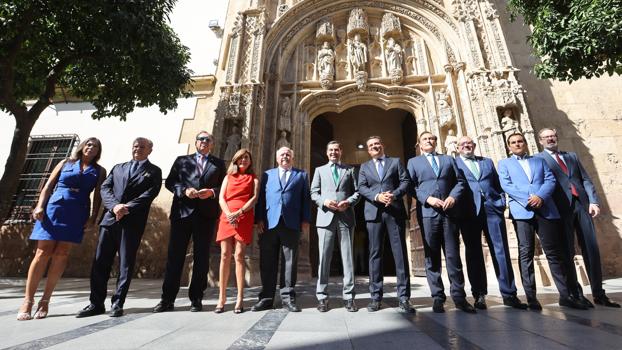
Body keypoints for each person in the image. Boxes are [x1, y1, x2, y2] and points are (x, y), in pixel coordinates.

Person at [17, 138, 106, 321]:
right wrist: (40, 206)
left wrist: (93, 217)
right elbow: (48, 186)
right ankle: (28, 301)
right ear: (82, 147)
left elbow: (98, 196)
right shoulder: (65, 162)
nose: (91, 148)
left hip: (77, 211)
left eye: (95, 146)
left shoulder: (99, 170)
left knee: (62, 253)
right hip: (54, 208)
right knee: (42, 252)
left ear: (98, 151)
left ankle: (45, 300)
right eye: (89, 144)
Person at [498, 133, 586, 310]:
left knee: (554, 252)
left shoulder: (539, 161)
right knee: (526, 253)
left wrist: (541, 197)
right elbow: (506, 185)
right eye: (513, 142)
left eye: (520, 141)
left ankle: (565, 295)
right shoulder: (504, 163)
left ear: (525, 143)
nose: (517, 144)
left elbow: (550, 179)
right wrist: (528, 199)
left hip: (545, 209)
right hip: (522, 212)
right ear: (508, 146)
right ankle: (531, 297)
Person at [77, 138, 162, 318]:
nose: (137, 149)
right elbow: (105, 189)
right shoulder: (118, 168)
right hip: (109, 220)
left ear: (150, 150)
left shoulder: (154, 171)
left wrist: (127, 208)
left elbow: (149, 194)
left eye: (142, 147)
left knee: (125, 264)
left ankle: (118, 303)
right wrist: (115, 206)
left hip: (132, 222)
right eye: (135, 146)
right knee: (100, 262)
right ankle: (96, 303)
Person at [536, 128, 619, 307]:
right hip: (560, 209)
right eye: (546, 137)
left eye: (552, 136)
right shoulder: (538, 159)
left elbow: (585, 179)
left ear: (556, 137)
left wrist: (593, 201)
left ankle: (599, 293)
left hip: (581, 206)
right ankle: (575, 293)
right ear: (540, 140)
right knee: (567, 252)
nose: (550, 139)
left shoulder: (571, 156)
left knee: (591, 249)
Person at [153, 131, 226, 313]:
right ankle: (167, 299)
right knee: (175, 257)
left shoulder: (218, 163)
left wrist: (212, 192)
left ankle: (196, 298)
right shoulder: (182, 160)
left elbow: (224, 186)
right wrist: (184, 190)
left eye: (207, 139)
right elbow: (170, 182)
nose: (204, 142)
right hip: (182, 213)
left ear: (212, 143)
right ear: (196, 143)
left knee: (202, 258)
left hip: (206, 215)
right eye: (201, 139)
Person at [454, 136, 527, 310]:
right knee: (474, 253)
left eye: (469, 143)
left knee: (501, 250)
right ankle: (479, 295)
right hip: (468, 212)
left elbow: (497, 183)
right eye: (463, 144)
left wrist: (501, 201)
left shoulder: (487, 162)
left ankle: (509, 294)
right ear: (457, 147)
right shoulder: (453, 163)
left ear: (474, 145)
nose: (467, 146)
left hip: (492, 210)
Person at [407, 132, 475, 314]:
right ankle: (437, 297)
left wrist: (453, 196)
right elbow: (410, 186)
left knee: (453, 255)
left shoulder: (448, 159)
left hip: (449, 212)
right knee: (432, 257)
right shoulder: (414, 163)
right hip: (429, 213)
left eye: (432, 139)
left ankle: (459, 297)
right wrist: (427, 199)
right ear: (420, 144)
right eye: (425, 139)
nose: (429, 141)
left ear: (436, 142)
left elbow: (460, 181)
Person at [358, 136, 414, 313]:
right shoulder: (364, 167)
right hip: (374, 213)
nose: (375, 147)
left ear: (382, 145)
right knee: (375, 254)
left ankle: (404, 298)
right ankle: (375, 297)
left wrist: (394, 195)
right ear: (368, 150)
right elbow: (361, 187)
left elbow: (405, 181)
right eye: (371, 145)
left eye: (377, 144)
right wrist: (377, 196)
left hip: (394, 210)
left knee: (399, 254)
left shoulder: (395, 162)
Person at [252, 147, 311, 312]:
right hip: (269, 223)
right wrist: (259, 219)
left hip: (291, 223)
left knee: (290, 262)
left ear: (292, 158)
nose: (285, 156)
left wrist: (305, 220)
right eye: (282, 154)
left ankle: (288, 298)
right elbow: (261, 198)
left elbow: (306, 198)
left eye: (288, 154)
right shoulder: (267, 175)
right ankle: (266, 298)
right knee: (267, 262)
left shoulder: (301, 175)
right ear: (277, 158)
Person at [310, 141, 360, 312]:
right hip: (325, 218)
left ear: (341, 151)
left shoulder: (350, 170)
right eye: (330, 150)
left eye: (336, 150)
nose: (333, 152)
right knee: (324, 258)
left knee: (348, 258)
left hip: (346, 217)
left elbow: (357, 192)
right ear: (327, 152)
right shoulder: (319, 170)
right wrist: (324, 201)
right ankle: (322, 297)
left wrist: (349, 202)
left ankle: (349, 297)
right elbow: (313, 193)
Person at [214, 149, 259, 314]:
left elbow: (254, 198)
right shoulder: (228, 177)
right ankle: (222, 298)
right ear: (235, 160)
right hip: (227, 217)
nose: (244, 160)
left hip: (243, 217)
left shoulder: (253, 178)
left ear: (250, 161)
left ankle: (240, 298)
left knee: (239, 256)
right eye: (240, 158)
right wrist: (228, 214)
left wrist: (238, 213)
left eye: (247, 157)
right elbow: (221, 198)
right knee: (225, 255)